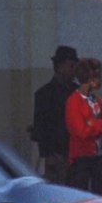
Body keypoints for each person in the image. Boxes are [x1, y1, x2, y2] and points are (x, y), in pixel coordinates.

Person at [66, 57, 102, 195]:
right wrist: (99, 125)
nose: (101, 80)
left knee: (100, 195)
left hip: (100, 157)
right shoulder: (73, 101)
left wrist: (93, 123)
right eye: (98, 77)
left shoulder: (96, 99)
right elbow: (81, 131)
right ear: (90, 79)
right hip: (82, 159)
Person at [33, 45, 79, 184]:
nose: (74, 71)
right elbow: (40, 126)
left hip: (76, 153)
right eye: (71, 66)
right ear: (59, 67)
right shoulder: (44, 94)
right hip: (57, 154)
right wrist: (47, 154)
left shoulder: (78, 92)